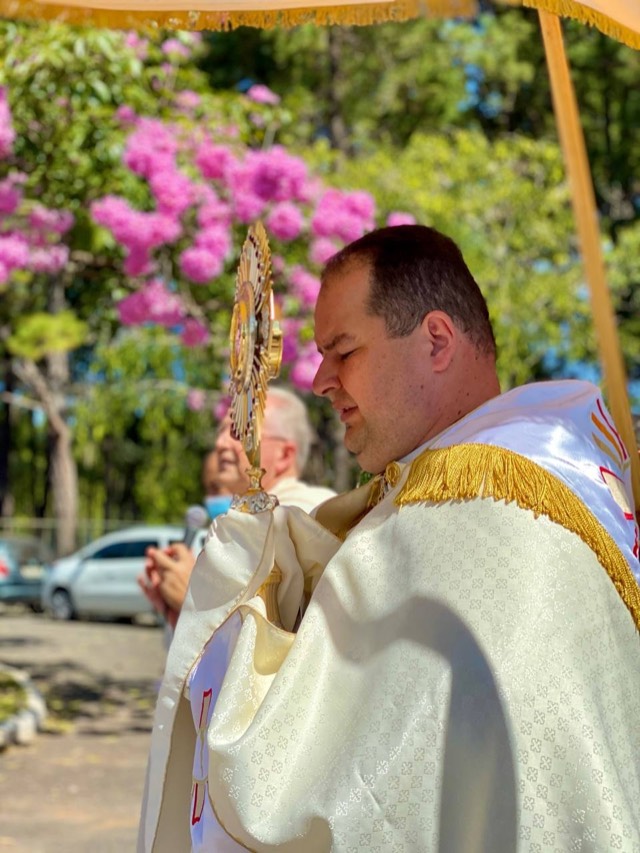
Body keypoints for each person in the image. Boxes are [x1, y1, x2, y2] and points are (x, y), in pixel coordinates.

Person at [139, 225, 640, 852]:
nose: (322, 380)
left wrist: (226, 621)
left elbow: (344, 783)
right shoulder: (515, 486)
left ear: (435, 340)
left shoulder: (478, 511)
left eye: (343, 351)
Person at [139, 386, 336, 629]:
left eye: (238, 431)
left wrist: (191, 599)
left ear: (284, 455)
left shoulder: (309, 515)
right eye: (220, 432)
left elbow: (273, 647)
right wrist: (180, 615)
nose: (220, 444)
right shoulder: (248, 515)